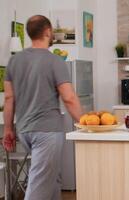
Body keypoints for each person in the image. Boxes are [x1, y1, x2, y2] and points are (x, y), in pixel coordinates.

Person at [2, 15, 83, 200]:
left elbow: (8, 98)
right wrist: (84, 124)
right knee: (39, 185)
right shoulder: (55, 61)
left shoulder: (14, 61)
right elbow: (69, 98)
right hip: (47, 132)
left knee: (52, 179)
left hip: (24, 131)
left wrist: (8, 129)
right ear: (47, 31)